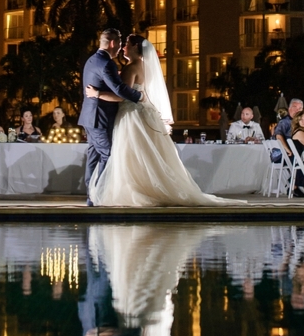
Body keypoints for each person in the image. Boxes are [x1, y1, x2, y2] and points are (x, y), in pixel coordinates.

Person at [84, 33, 241, 207]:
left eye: (126, 44)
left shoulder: (130, 68)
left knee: (128, 155)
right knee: (142, 154)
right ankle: (142, 188)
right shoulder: (144, 67)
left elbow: (122, 95)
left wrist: (98, 93)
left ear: (136, 47)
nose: (123, 48)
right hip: (143, 112)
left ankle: (107, 193)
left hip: (130, 115)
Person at [78, 28, 145, 203]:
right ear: (113, 43)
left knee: (94, 156)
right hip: (99, 117)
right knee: (108, 154)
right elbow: (120, 89)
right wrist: (139, 96)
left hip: (90, 117)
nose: (121, 49)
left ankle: (91, 197)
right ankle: (99, 195)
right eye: (120, 44)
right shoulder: (107, 64)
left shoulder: (92, 60)